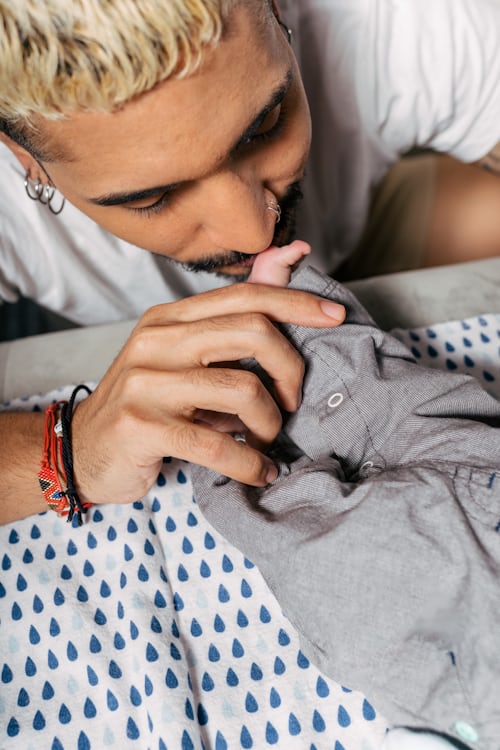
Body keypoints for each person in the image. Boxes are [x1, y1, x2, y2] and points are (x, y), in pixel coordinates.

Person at [2, 0, 500, 524]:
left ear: (278, 10)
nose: (255, 233)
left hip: (364, 240)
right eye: (151, 199)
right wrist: (72, 449)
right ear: (24, 157)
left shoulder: (391, 17)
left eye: (266, 123)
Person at [193, 248, 500, 750]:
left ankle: (252, 351)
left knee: (259, 480)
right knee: (381, 411)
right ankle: (274, 320)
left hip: (437, 667)